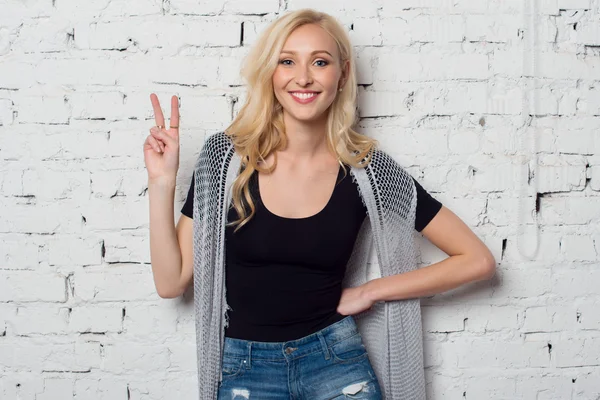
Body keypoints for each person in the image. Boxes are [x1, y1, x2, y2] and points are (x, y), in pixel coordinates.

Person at [144, 8, 496, 400]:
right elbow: (170, 282)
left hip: (338, 364)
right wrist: (161, 182)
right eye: (287, 61)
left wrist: (371, 291)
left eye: (320, 62)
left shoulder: (368, 172)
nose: (304, 77)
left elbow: (477, 260)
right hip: (247, 369)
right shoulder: (225, 161)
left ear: (342, 74)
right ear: (270, 73)